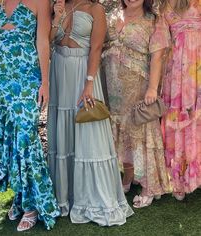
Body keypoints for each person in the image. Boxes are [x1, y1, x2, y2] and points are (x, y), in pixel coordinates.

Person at [48, 0, 133, 226]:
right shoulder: (57, 5)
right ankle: (64, 197)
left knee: (88, 130)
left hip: (82, 73)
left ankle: (92, 199)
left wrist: (88, 83)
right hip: (59, 70)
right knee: (64, 129)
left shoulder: (96, 9)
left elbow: (95, 48)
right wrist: (56, 18)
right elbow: (47, 41)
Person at [0, 0, 60, 231]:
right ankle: (20, 198)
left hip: (26, 76)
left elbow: (43, 40)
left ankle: (34, 205)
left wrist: (45, 82)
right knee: (8, 138)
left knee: (26, 138)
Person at [102, 0, 171, 208]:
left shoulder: (154, 20)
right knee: (122, 132)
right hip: (113, 88)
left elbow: (157, 57)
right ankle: (128, 176)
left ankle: (149, 187)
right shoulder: (114, 15)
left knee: (140, 132)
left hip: (139, 88)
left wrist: (152, 88)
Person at [161, 0, 201, 200]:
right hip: (174, 71)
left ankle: (196, 174)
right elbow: (160, 40)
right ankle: (178, 177)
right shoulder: (164, 5)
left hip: (197, 68)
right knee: (176, 119)